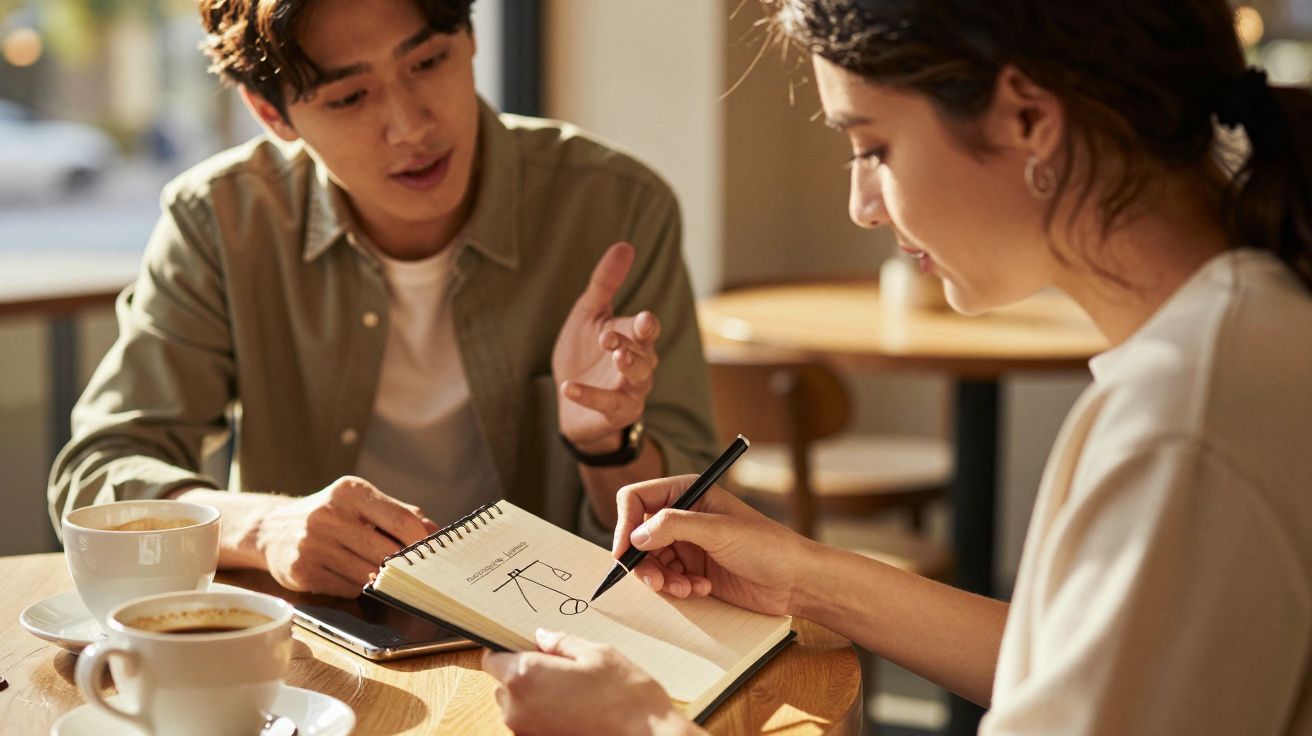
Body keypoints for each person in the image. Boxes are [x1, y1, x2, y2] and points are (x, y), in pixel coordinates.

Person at [483, 0, 1312, 733]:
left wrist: (639, 727)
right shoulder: (1235, 339)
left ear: (1029, 118)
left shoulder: (1185, 425)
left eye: (872, 147)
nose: (862, 203)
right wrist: (805, 579)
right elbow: (1073, 660)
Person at [47, 0, 718, 599]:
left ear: (472, 38)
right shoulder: (222, 222)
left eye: (427, 61)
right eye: (348, 98)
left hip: (554, 636)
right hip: (316, 647)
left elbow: (695, 527)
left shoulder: (615, 207)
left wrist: (607, 444)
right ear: (271, 114)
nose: (410, 125)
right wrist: (266, 527)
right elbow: (98, 472)